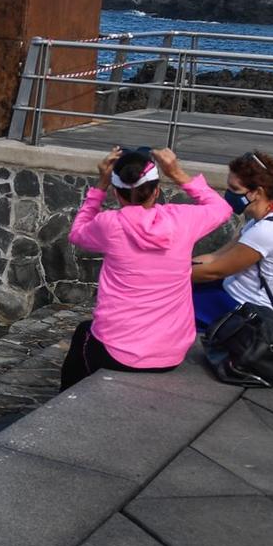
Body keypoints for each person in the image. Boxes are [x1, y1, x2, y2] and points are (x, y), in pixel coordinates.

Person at [62, 145, 231, 387]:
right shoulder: (184, 220)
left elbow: (77, 233)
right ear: (156, 191)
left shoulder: (109, 225)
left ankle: (67, 408)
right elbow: (222, 209)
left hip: (118, 352)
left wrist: (100, 185)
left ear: (116, 193)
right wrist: (177, 173)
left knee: (83, 335)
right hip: (172, 353)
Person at [190, 151, 273, 328]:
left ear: (257, 192)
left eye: (235, 189)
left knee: (168, 303)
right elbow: (215, 257)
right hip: (234, 294)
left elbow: (215, 271)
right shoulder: (265, 219)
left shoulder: (267, 231)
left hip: (249, 312)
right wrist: (180, 265)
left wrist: (165, 276)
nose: (228, 194)